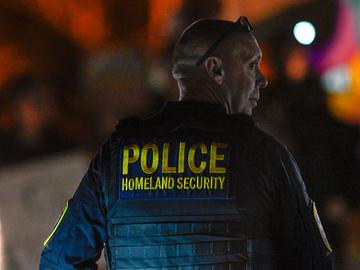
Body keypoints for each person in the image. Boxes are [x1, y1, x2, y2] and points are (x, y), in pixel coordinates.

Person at [39, 17, 333, 270]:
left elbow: (59, 260)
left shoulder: (117, 156)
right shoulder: (266, 156)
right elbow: (314, 262)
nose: (262, 79)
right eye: (252, 65)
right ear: (216, 70)